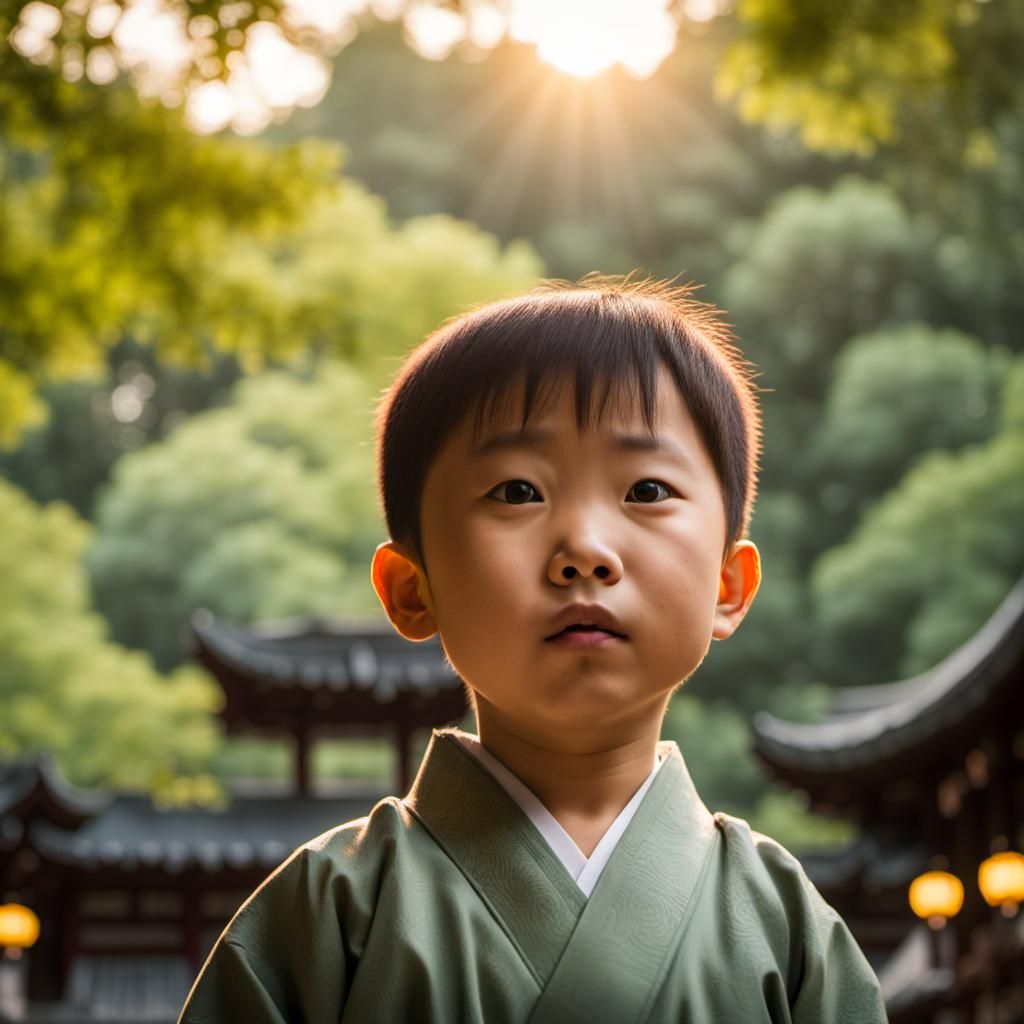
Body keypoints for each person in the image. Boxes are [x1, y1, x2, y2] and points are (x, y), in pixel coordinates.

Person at [178, 275, 888, 1023]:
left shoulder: (784, 927)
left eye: (647, 490)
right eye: (517, 491)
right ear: (412, 589)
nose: (585, 550)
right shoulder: (329, 914)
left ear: (727, 585)